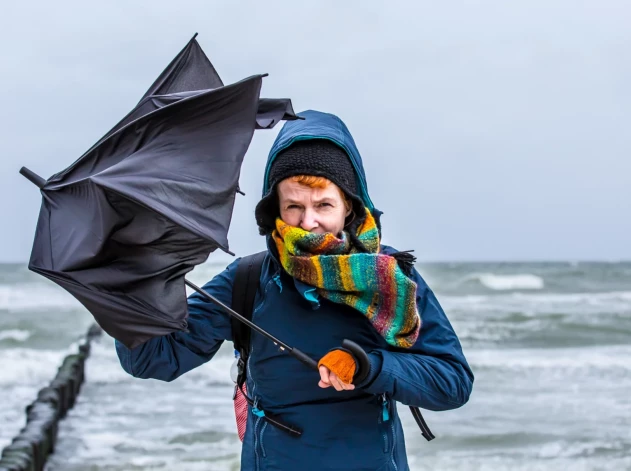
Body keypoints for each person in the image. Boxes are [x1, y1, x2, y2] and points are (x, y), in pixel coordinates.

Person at [115, 110, 473, 471]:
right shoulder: (248, 279)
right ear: (275, 209)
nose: (308, 222)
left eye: (323, 205)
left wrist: (369, 366)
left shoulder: (392, 278)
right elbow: (152, 359)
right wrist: (135, 283)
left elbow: (452, 383)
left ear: (348, 203)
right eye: (293, 207)